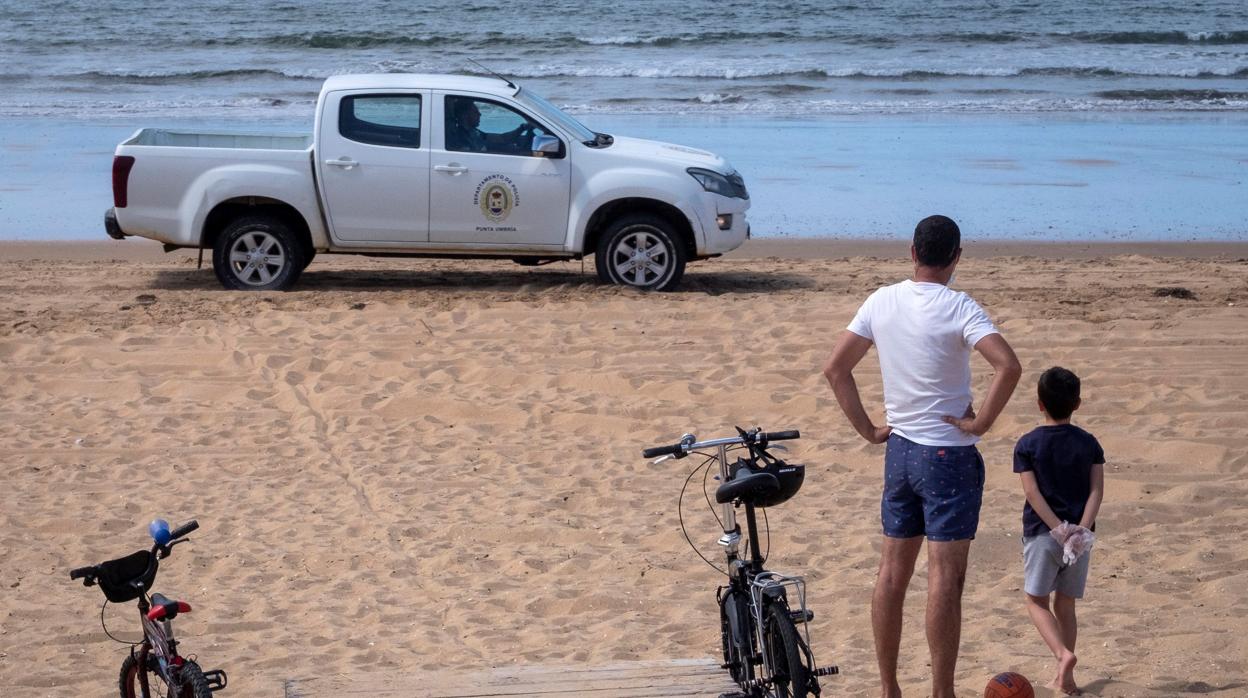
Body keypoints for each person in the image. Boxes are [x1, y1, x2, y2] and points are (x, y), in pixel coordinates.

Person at [822, 214, 1021, 698]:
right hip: (948, 457)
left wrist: (870, 429)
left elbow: (835, 369)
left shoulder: (881, 300)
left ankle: (890, 688)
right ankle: (941, 691)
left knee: (892, 573)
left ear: (912, 251)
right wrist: (980, 423)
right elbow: (1008, 366)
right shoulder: (959, 306)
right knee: (945, 580)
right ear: (956, 258)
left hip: (902, 453)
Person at [1014, 366, 1104, 695]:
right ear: (1077, 403)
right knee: (1065, 605)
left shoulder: (1028, 444)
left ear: (1040, 404)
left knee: (1036, 602)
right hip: (1080, 539)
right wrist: (1080, 531)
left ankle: (1062, 656)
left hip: (1043, 533)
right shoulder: (1089, 443)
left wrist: (1059, 529)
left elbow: (1031, 493)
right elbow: (1096, 491)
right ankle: (1066, 679)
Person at [445, 98, 530, 154]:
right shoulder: (461, 138)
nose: (480, 114)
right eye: (475, 112)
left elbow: (502, 138)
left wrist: (522, 128)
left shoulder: (474, 132)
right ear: (464, 116)